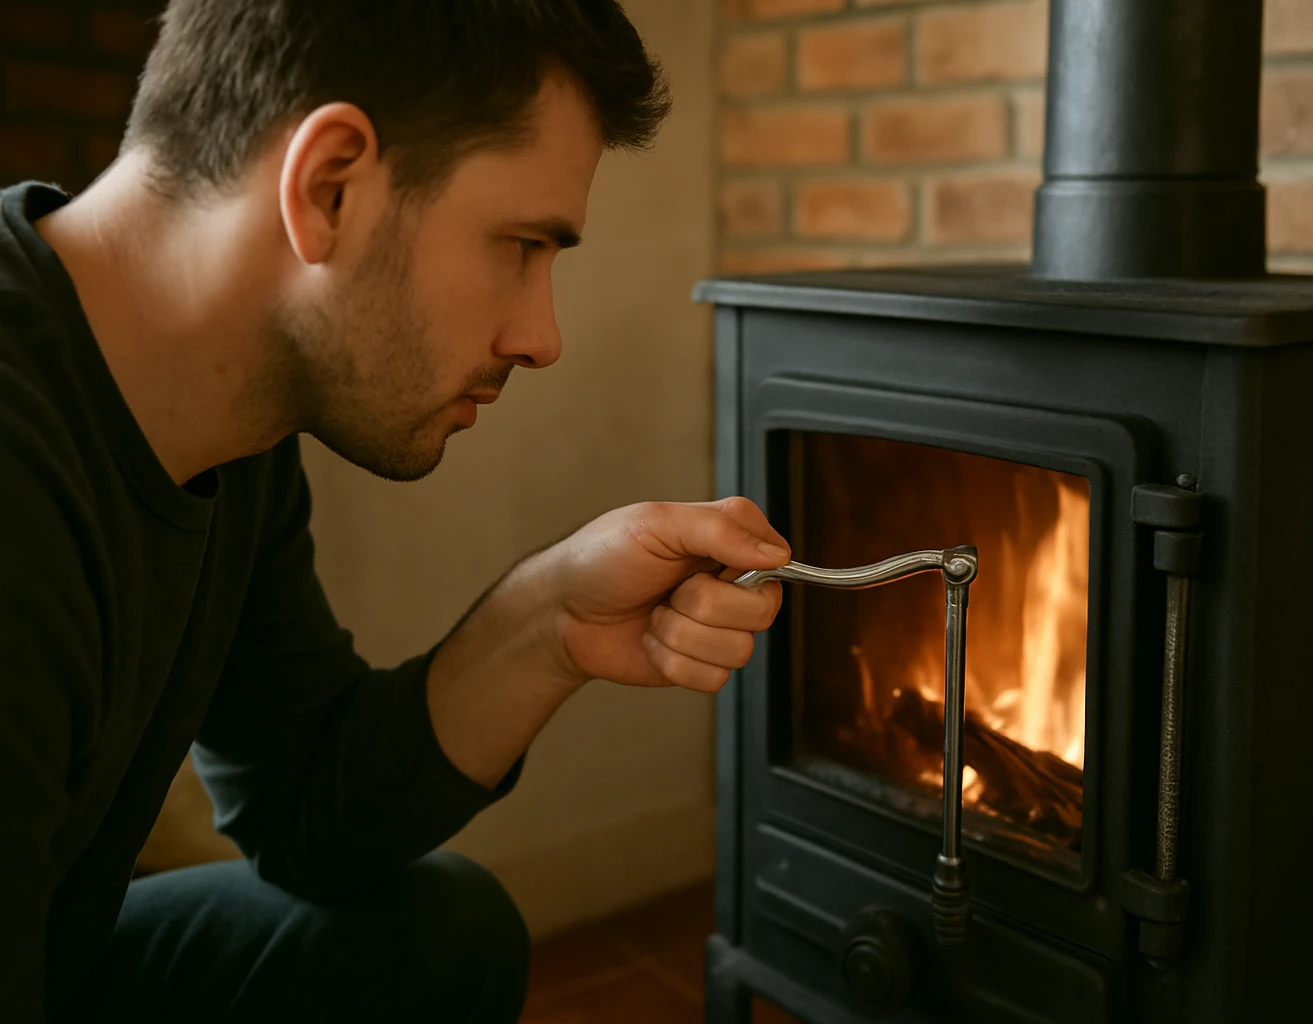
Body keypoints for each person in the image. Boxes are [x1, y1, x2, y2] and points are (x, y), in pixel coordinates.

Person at [0, 1, 789, 1020]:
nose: (542, 337)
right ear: (329, 185)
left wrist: (552, 619)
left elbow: (302, 809)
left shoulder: (232, 431)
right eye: (522, 244)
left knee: (436, 933)